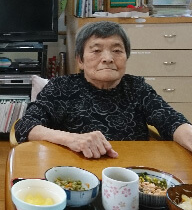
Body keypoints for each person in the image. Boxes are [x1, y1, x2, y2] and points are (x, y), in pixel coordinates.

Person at [15, 21, 192, 158]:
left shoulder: (137, 89)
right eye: (96, 50)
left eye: (117, 51)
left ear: (126, 57)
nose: (107, 58)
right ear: (80, 61)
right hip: (72, 174)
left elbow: (173, 121)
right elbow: (26, 126)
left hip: (131, 175)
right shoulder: (61, 87)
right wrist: (73, 139)